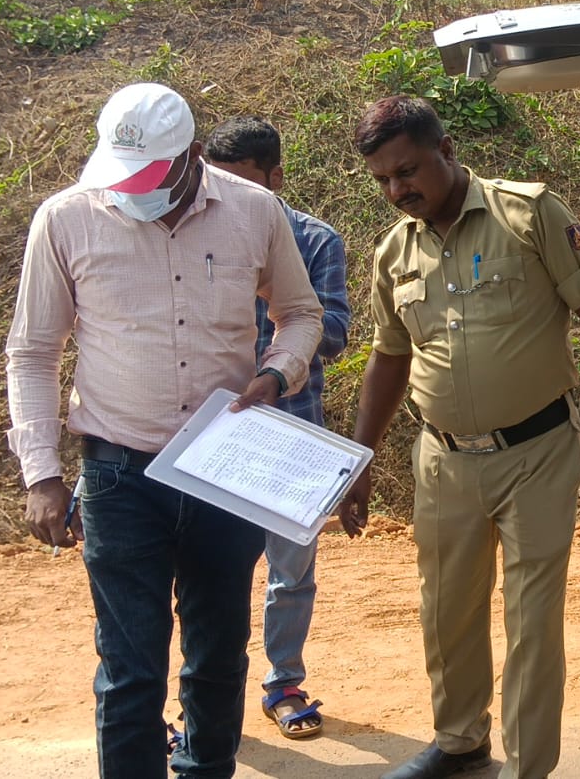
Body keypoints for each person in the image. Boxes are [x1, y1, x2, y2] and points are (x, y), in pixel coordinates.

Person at [6, 82, 323, 778]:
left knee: (217, 654)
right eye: (125, 177)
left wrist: (277, 372)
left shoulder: (253, 211)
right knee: (129, 667)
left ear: (193, 157)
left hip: (223, 464)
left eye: (151, 176)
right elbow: (32, 351)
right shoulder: (66, 220)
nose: (134, 191)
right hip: (119, 473)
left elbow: (300, 312)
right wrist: (42, 473)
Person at [339, 95, 580, 779]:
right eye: (383, 180)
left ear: (446, 150)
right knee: (445, 613)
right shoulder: (393, 254)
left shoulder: (528, 214)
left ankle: (528, 766)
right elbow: (388, 358)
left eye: (408, 171)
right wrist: (359, 459)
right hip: (443, 462)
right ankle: (459, 741)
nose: (396, 190)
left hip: (536, 454)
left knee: (532, 624)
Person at [205, 115, 350, 740]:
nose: (233, 199)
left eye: (246, 184)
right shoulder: (195, 239)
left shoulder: (316, 242)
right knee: (211, 572)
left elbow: (336, 331)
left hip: (291, 432)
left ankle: (283, 682)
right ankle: (205, 699)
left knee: (292, 571)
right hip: (217, 437)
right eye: (220, 183)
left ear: (276, 178)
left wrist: (276, 333)